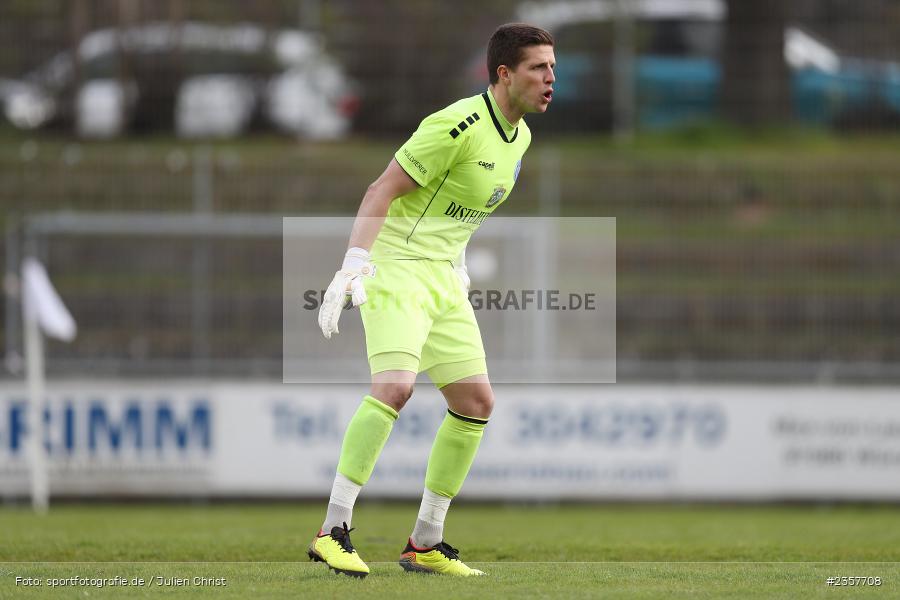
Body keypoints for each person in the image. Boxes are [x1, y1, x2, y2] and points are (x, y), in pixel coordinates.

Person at [309, 23, 555, 578]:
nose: (550, 79)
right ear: (504, 74)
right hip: (395, 265)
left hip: (443, 277)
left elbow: (454, 210)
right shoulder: (456, 124)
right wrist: (354, 264)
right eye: (539, 67)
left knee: (475, 403)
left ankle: (425, 542)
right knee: (395, 388)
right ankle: (333, 529)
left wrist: (458, 262)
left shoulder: (520, 138)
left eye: (553, 68)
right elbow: (381, 191)